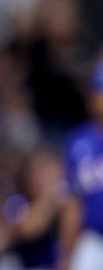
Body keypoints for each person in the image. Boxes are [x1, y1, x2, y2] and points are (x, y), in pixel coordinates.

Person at [61, 59, 103, 270]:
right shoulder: (78, 142)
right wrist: (67, 253)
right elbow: (72, 203)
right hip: (94, 240)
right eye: (99, 91)